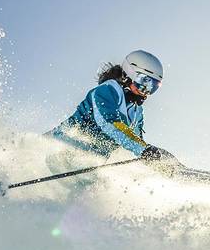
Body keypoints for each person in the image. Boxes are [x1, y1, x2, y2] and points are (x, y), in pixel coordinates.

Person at [47, 50, 181, 174]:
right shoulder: (107, 90)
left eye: (153, 87)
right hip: (60, 149)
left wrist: (155, 160)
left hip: (87, 164)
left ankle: (174, 170)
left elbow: (135, 141)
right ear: (130, 74)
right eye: (144, 82)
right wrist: (144, 151)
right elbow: (110, 124)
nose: (145, 90)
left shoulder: (136, 111)